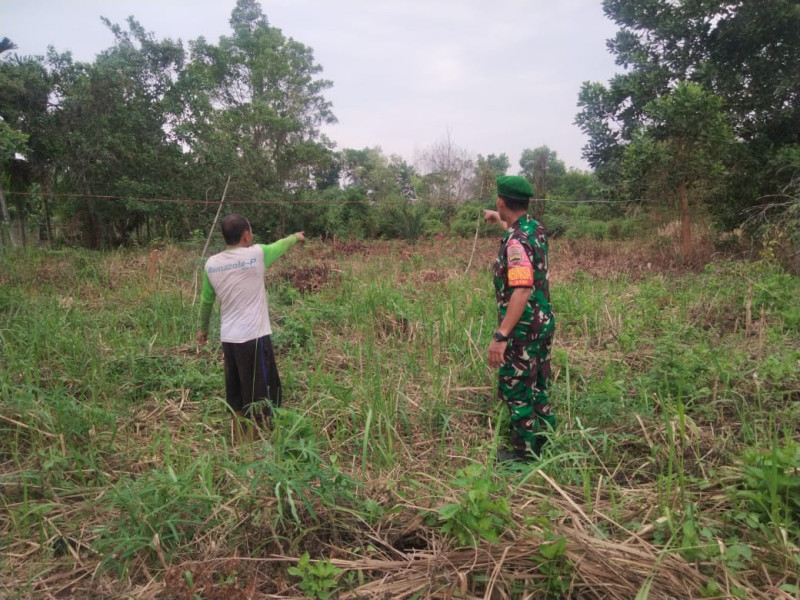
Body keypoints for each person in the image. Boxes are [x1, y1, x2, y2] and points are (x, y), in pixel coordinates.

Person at [196, 214, 305, 442]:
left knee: (235, 390)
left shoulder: (211, 264)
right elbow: (281, 245)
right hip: (254, 338)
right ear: (246, 235)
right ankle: (253, 444)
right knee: (260, 393)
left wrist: (202, 329)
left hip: (230, 339)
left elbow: (206, 301)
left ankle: (238, 439)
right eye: (251, 231)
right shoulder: (256, 254)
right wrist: (296, 237)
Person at [483, 176, 556, 462]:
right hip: (542, 322)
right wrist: (496, 217)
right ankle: (546, 441)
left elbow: (522, 289)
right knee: (537, 383)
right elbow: (514, 228)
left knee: (517, 390)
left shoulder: (515, 243)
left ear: (502, 201)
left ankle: (524, 457)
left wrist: (501, 337)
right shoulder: (533, 228)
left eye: (496, 203)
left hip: (522, 328)